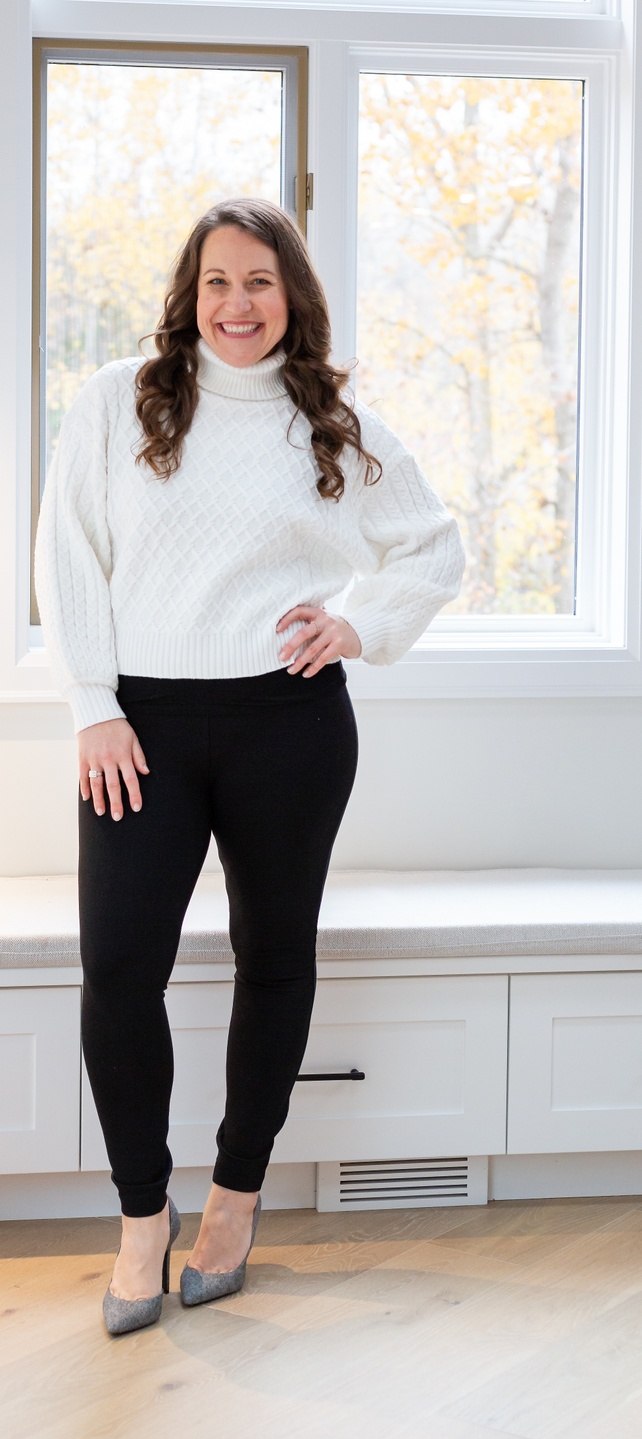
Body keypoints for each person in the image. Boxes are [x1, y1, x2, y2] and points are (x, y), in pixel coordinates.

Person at [34, 195, 466, 1336]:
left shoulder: (332, 419)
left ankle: (234, 1197)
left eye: (260, 282)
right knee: (119, 968)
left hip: (290, 724)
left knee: (274, 960)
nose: (237, 304)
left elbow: (434, 546)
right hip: (140, 730)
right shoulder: (117, 400)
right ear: (190, 294)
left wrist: (359, 625)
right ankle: (142, 1217)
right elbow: (68, 552)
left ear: (292, 296)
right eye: (218, 281)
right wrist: (91, 706)